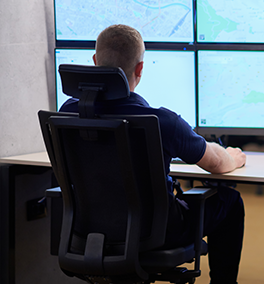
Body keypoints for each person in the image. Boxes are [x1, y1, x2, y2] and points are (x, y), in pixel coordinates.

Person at [60, 24, 246, 284]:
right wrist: (234, 157)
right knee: (230, 201)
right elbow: (216, 164)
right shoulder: (161, 121)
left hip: (86, 231)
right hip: (156, 233)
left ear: (94, 62)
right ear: (140, 69)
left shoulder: (67, 115)